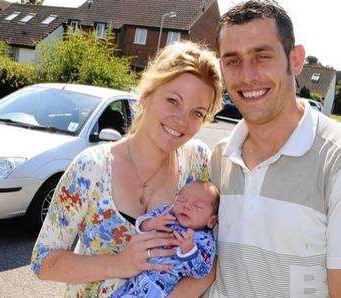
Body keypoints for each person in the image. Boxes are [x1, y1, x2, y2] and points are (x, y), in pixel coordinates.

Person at [30, 40, 222, 297]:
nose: (182, 120)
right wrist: (120, 263)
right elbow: (44, 262)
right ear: (146, 95)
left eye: (197, 113)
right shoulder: (91, 169)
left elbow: (210, 262)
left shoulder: (198, 163)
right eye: (173, 100)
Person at [200, 1, 340, 297]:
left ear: (296, 59)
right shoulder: (220, 158)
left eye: (261, 56)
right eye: (232, 60)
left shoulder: (334, 159)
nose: (248, 75)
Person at [111, 181, 219, 298]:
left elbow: (202, 272)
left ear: (211, 221)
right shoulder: (167, 213)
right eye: (181, 200)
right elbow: (141, 225)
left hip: (161, 289)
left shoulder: (205, 240)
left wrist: (189, 251)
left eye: (198, 206)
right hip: (136, 279)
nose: (186, 206)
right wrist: (152, 223)